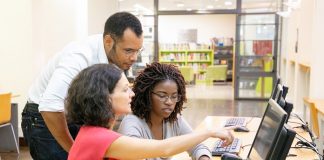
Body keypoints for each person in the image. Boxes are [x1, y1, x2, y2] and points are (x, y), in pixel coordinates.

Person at [21, 11, 143, 160]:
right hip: (43, 116)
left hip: (71, 115)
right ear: (109, 41)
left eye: (138, 51)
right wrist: (75, 151)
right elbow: (49, 106)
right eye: (128, 50)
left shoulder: (116, 58)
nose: (134, 58)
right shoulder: (79, 56)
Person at [66, 63, 234, 160]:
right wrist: (210, 131)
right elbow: (164, 149)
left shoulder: (94, 132)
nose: (132, 94)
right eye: (125, 90)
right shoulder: (101, 137)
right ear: (105, 97)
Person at [117, 62, 211, 160]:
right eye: (162, 96)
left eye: (174, 96)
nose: (169, 102)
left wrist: (203, 157)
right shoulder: (132, 124)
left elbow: (196, 146)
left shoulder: (174, 120)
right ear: (147, 95)